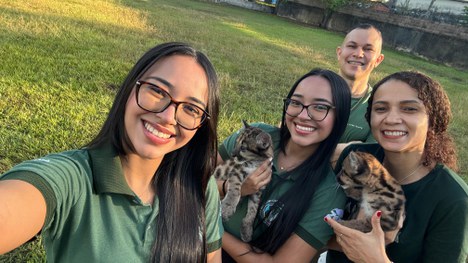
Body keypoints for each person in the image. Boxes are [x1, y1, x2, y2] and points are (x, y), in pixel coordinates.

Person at [0, 42, 223, 262]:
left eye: (191, 109)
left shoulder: (199, 185)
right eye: (157, 90)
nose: (168, 117)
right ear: (130, 88)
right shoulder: (74, 179)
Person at [325, 71, 468, 262]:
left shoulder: (453, 200)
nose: (391, 119)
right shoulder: (356, 158)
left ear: (433, 119)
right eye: (381, 108)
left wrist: (375, 259)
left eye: (409, 109)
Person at [217, 68, 351, 262]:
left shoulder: (329, 193)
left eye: (320, 107)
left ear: (340, 117)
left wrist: (213, 230)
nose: (304, 115)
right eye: (296, 102)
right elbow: (194, 179)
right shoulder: (256, 134)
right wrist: (229, 188)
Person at [332, 24, 385, 164]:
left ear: (378, 60)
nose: (358, 53)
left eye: (368, 49)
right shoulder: (313, 87)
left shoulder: (380, 107)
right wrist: (350, 148)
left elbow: (369, 160)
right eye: (352, 46)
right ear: (339, 52)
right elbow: (287, 137)